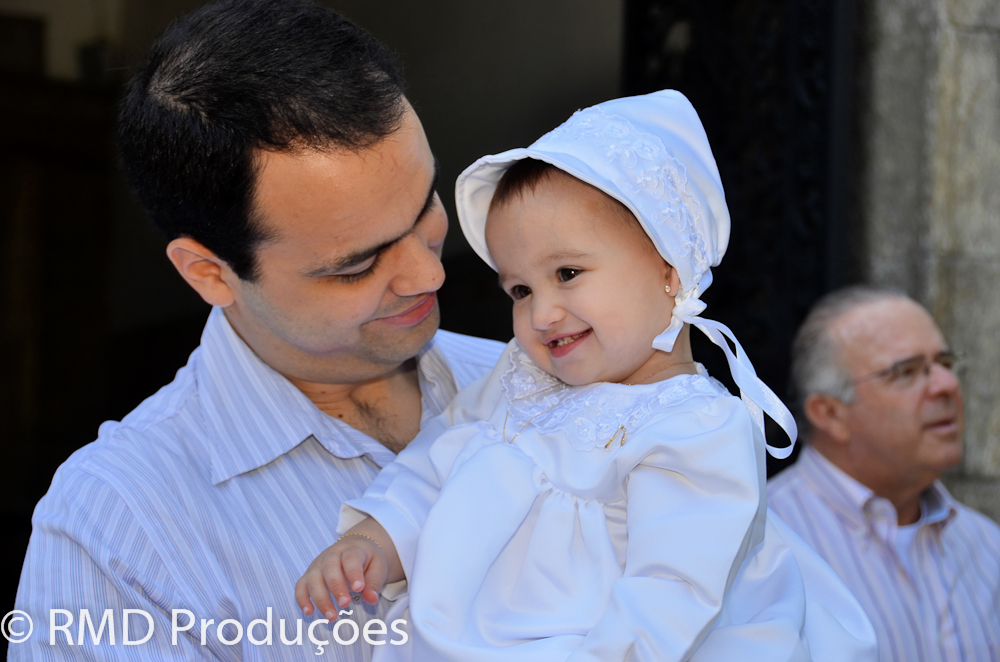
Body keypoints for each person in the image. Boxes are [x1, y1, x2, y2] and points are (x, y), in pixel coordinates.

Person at [298, 91, 878, 661]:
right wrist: (373, 541)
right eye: (520, 290)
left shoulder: (697, 431)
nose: (541, 314)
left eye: (567, 273)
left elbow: (670, 597)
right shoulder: (521, 381)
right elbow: (432, 467)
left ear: (670, 269)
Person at [12, 0, 504, 659]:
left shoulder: (547, 383)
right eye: (357, 265)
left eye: (424, 208)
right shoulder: (120, 531)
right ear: (209, 273)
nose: (428, 274)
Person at [768, 286, 1000, 661]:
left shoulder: (986, 546)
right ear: (830, 413)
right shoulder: (762, 544)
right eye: (906, 372)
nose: (948, 384)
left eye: (945, 363)